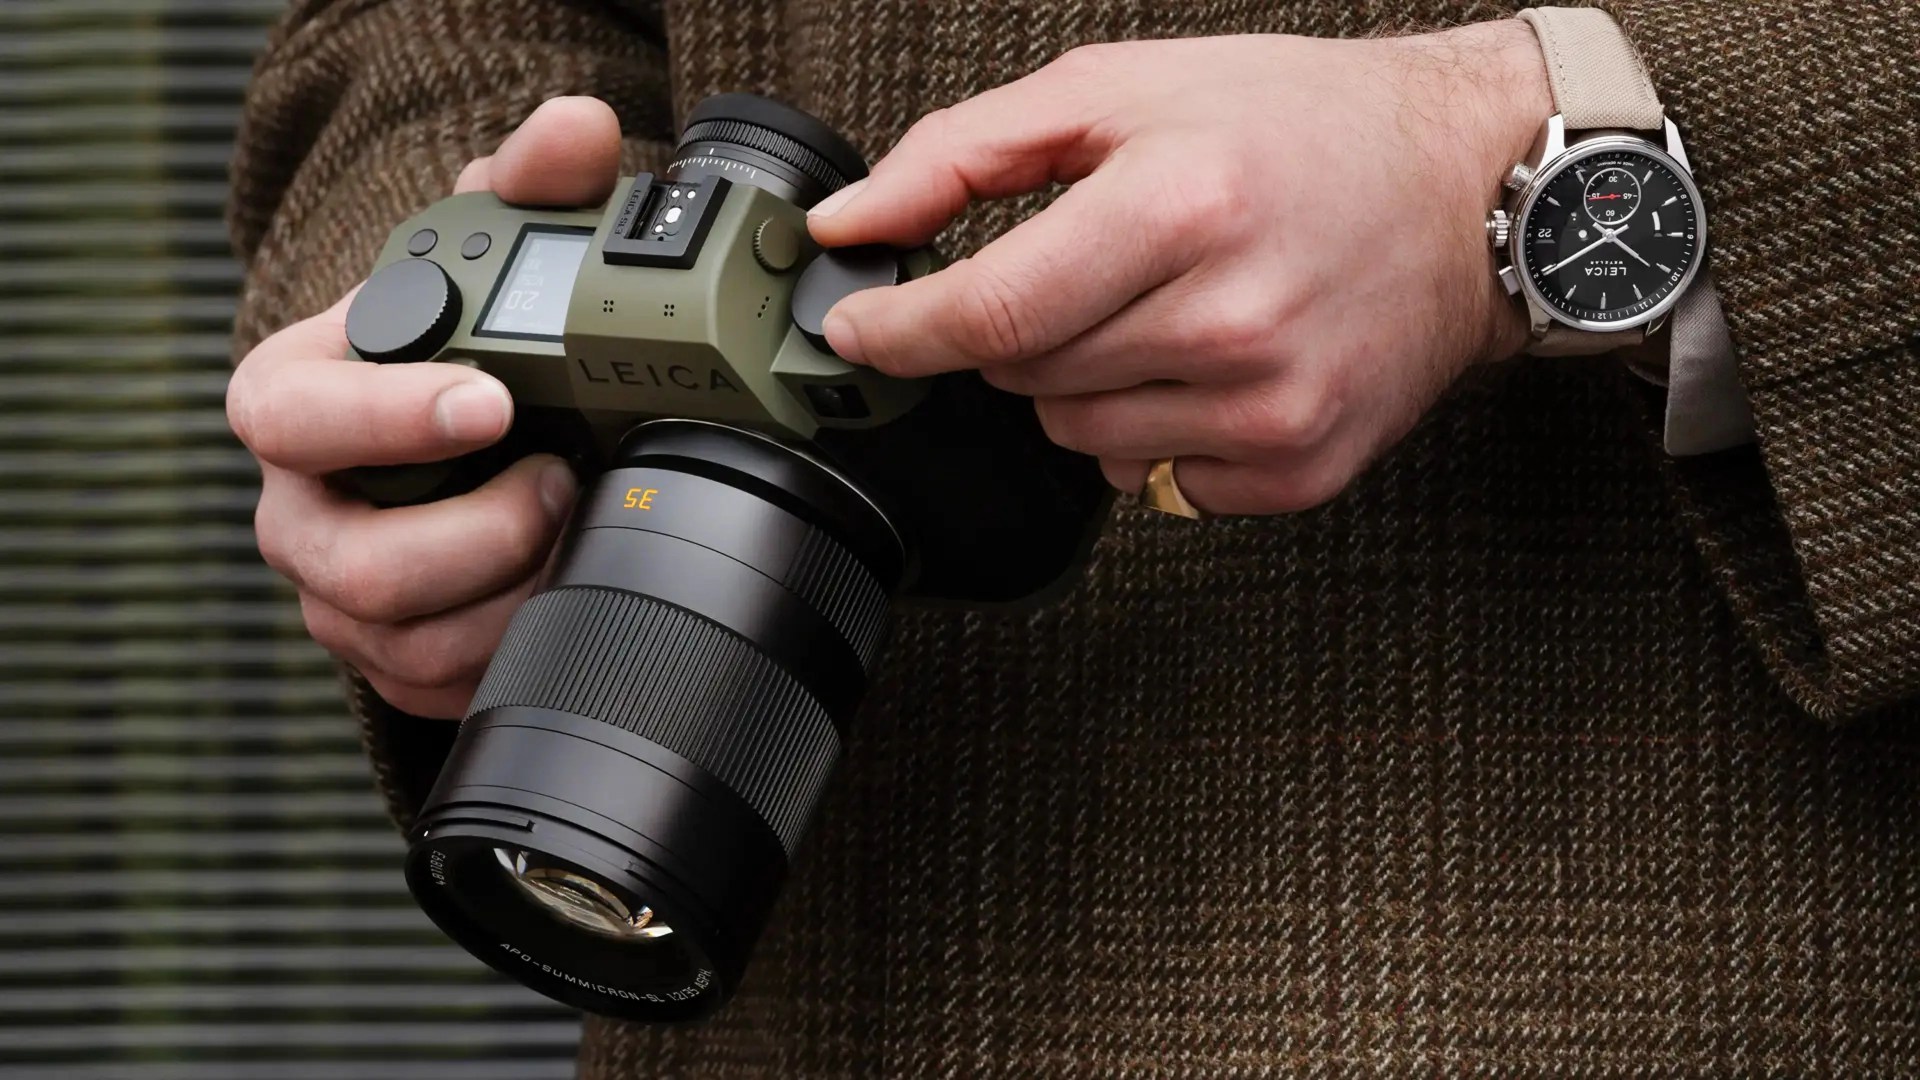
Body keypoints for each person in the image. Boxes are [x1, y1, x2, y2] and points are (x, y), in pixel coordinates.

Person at [223, 0, 1919, 1074]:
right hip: (808, 951)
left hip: (1630, 931)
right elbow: (422, 30)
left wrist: (1538, 151)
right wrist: (431, 323)